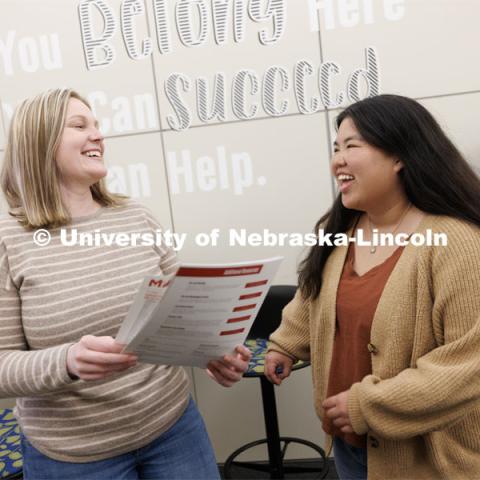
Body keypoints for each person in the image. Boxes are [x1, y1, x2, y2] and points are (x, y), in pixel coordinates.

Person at [0, 88, 251, 480]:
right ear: (40, 141)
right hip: (74, 457)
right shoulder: (9, 240)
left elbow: (182, 312)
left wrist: (214, 349)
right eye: (80, 125)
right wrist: (66, 360)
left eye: (97, 125)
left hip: (173, 428)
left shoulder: (136, 215)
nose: (98, 135)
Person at [264, 94, 480, 479]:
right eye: (335, 148)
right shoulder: (342, 228)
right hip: (351, 447)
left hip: (429, 460)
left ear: (400, 157)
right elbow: (314, 295)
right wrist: (287, 342)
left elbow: (468, 363)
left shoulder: (456, 241)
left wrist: (368, 405)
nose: (337, 161)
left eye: (352, 146)